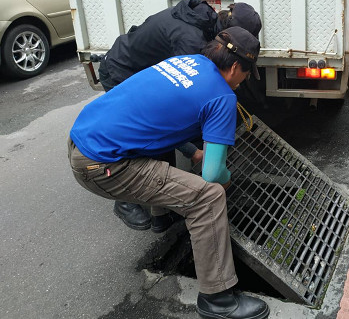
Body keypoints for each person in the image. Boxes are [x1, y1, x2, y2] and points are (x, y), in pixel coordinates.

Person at [68, 26, 269, 319]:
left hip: (81, 138)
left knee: (175, 173)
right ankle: (217, 299)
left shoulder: (186, 62)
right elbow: (213, 173)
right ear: (236, 66)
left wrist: (193, 152)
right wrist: (228, 180)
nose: (246, 80)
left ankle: (163, 217)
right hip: (102, 165)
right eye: (247, 73)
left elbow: (162, 119)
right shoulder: (223, 96)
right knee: (208, 197)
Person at [96, 0, 262, 233]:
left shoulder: (207, 25)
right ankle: (124, 198)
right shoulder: (192, 43)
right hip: (122, 71)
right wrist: (194, 152)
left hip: (142, 70)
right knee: (149, 137)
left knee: (165, 144)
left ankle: (160, 216)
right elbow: (175, 113)